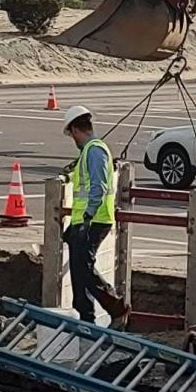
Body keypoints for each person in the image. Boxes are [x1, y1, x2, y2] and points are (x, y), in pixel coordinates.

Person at [61, 105, 130, 329]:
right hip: (84, 221)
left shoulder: (95, 150)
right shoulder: (90, 152)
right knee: (79, 271)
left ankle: (115, 307)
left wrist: (88, 216)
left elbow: (98, 187)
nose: (73, 139)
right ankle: (86, 318)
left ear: (75, 130)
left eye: (71, 134)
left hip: (94, 219)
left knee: (84, 269)